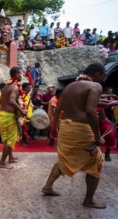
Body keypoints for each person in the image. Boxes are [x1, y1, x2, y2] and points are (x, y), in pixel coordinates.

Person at [42, 63, 106, 209]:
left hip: (66, 127)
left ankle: (47, 187)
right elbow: (90, 111)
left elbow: (58, 109)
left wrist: (54, 128)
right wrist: (97, 136)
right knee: (95, 163)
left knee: (64, 158)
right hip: (81, 130)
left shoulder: (70, 86)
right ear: (98, 74)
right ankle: (89, 200)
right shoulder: (95, 86)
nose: (102, 79)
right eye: (103, 76)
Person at [0, 67, 27, 168]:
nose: (22, 75)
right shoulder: (14, 87)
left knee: (10, 139)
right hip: (8, 116)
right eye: (20, 73)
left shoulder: (7, 86)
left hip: (4, 115)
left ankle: (10, 157)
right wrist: (21, 110)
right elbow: (11, 100)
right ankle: (2, 162)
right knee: (9, 140)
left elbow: (2, 101)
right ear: (16, 74)